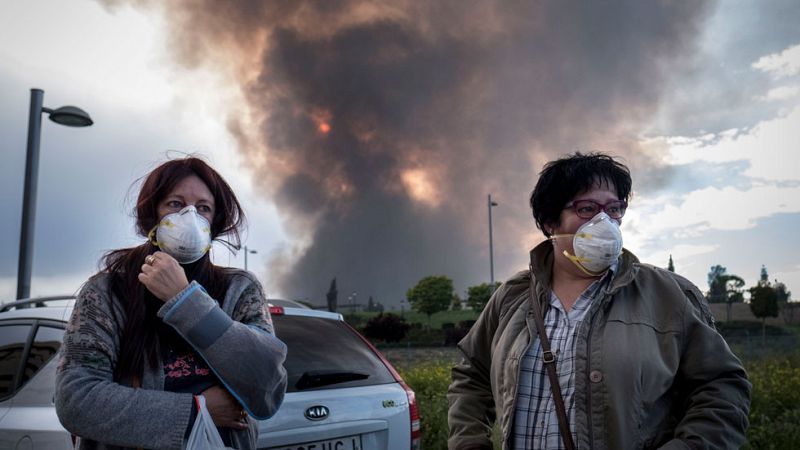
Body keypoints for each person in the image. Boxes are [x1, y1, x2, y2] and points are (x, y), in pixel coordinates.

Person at [447, 153, 751, 449]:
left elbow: (722, 386)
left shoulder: (668, 296)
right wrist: (468, 442)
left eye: (615, 208)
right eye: (587, 208)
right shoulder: (513, 297)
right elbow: (472, 374)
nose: (605, 221)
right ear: (551, 222)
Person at [56, 157, 287, 450]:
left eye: (203, 208)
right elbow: (76, 401)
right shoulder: (106, 292)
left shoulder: (239, 289)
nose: (190, 217)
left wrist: (186, 302)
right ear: (152, 217)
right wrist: (198, 410)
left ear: (213, 224)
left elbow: (267, 387)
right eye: (175, 204)